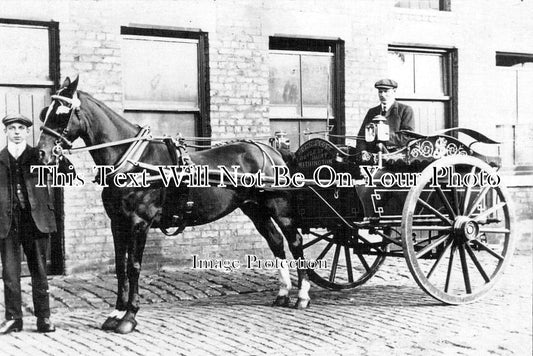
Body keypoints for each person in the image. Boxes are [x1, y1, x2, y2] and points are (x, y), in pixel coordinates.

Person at [0, 114, 57, 334]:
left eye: (21, 128)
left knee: (39, 271)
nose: (16, 131)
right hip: (7, 223)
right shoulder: (0, 158)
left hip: (36, 222)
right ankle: (14, 318)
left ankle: (44, 318)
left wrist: (59, 157)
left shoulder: (39, 156)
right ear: (5, 132)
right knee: (10, 273)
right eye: (12, 128)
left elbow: (63, 171)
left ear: (27, 132)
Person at [356, 79, 415, 153]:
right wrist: (363, 151)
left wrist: (383, 136)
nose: (382, 95)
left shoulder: (405, 110)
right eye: (380, 92)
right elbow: (361, 137)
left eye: (386, 91)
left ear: (394, 91)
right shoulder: (372, 112)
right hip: (373, 155)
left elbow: (408, 136)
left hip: (395, 156)